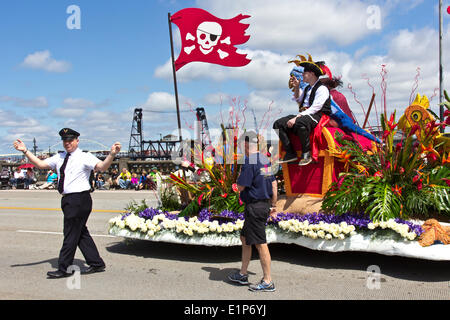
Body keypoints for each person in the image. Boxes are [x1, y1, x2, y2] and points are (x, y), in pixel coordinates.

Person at [13, 128, 121, 279]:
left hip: (79, 199)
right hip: (68, 200)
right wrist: (25, 151)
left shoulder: (85, 156)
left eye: (70, 140)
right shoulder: (59, 157)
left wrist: (112, 154)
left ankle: (64, 268)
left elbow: (101, 167)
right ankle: (96, 262)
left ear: (77, 140)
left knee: (70, 234)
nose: (67, 143)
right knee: (80, 232)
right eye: (65, 140)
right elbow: (41, 164)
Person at [228, 131, 278, 292]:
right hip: (263, 205)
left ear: (245, 145)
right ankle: (243, 273)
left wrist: (235, 186)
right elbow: (274, 185)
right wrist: (274, 206)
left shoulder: (249, 162)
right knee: (245, 238)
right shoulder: (264, 160)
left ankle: (268, 280)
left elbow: (241, 186)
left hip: (254, 207)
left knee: (260, 244)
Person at [273, 55, 331, 166]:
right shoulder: (307, 88)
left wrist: (296, 117)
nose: (302, 74)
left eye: (305, 72)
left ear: (312, 74)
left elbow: (315, 108)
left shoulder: (322, 89)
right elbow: (298, 99)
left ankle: (306, 154)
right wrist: (296, 87)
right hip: (305, 115)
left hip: (318, 115)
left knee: (300, 122)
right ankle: (290, 153)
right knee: (278, 124)